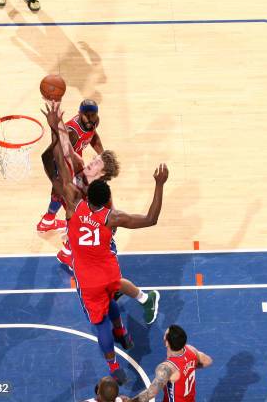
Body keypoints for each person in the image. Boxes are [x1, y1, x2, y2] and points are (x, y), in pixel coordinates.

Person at [46, 101, 169, 383]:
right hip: (108, 271)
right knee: (111, 298)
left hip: (87, 276)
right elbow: (151, 219)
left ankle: (114, 365)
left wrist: (56, 129)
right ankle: (122, 332)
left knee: (98, 322)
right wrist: (159, 184)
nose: (91, 164)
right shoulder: (111, 215)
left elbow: (62, 163)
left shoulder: (74, 204)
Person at [37, 99, 104, 232]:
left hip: (74, 162)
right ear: (79, 114)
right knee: (71, 198)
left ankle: (48, 220)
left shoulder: (94, 122)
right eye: (87, 115)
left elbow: (93, 137)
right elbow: (51, 153)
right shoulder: (72, 132)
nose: (90, 118)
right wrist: (56, 176)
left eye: (93, 114)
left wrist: (102, 154)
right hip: (61, 161)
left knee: (67, 195)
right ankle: (70, 236)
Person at [129, 325, 212, 402]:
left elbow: (151, 393)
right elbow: (208, 361)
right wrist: (188, 367)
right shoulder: (191, 350)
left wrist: (130, 401)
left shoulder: (167, 367)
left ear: (167, 342)